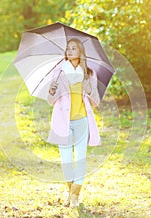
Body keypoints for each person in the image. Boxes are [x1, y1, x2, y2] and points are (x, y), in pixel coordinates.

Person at [47, 38, 101, 208]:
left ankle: (75, 196)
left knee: (81, 159)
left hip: (81, 121)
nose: (69, 51)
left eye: (74, 48)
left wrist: (89, 88)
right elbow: (50, 100)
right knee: (66, 160)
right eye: (68, 49)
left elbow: (96, 101)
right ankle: (70, 193)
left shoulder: (89, 74)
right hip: (62, 122)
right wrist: (53, 89)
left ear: (80, 52)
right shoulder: (59, 72)